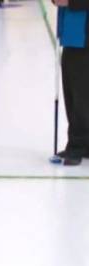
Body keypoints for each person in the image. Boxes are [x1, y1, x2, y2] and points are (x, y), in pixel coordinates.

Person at [53, 0, 89, 165]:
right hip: (72, 36)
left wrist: (70, 1)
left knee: (82, 96)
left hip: (84, 38)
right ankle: (78, 143)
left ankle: (78, 145)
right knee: (71, 91)